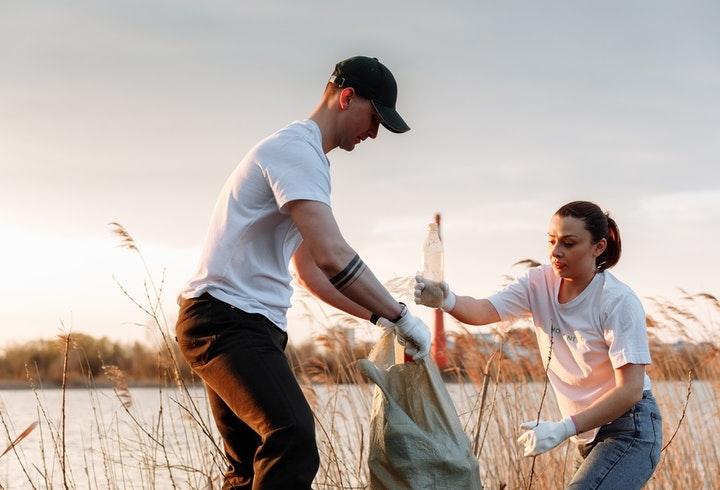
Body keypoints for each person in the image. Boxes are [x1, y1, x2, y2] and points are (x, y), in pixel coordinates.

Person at [175, 56, 431, 489]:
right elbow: (333, 254)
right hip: (226, 321)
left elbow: (313, 271)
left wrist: (381, 317)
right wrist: (401, 314)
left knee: (251, 465)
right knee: (291, 437)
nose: (374, 134)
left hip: (241, 324)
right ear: (347, 97)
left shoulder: (309, 162)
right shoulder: (295, 150)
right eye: (374, 118)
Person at [414, 201, 662, 489]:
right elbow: (484, 310)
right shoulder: (539, 282)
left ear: (599, 246)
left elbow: (630, 390)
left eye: (569, 243)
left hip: (629, 428)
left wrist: (563, 428)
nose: (556, 251)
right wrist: (446, 300)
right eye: (552, 241)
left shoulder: (617, 300)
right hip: (585, 432)